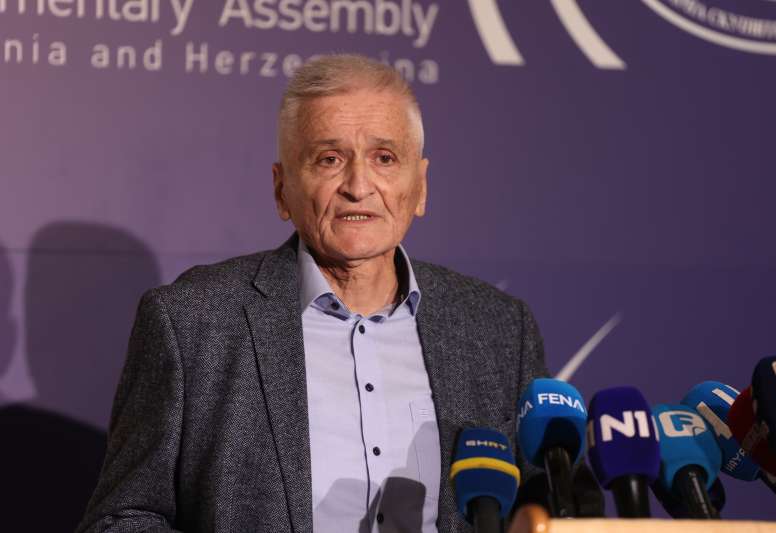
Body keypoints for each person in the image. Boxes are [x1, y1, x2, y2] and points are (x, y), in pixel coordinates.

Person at [77, 54, 547, 533]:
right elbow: (121, 520)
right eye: (329, 159)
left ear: (420, 186)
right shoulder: (194, 323)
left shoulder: (498, 330)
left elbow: (544, 510)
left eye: (384, 158)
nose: (358, 186)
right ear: (282, 190)